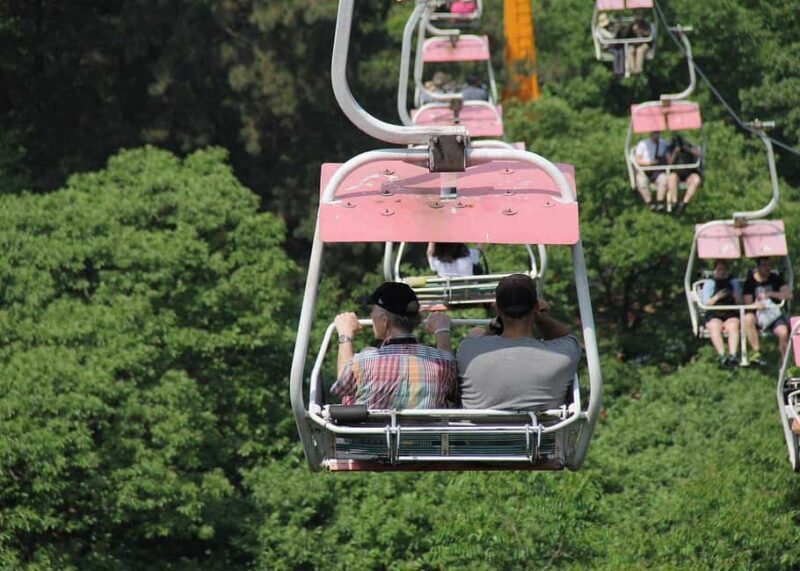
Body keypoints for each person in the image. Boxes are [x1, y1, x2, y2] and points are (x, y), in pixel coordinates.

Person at [456, 274, 581, 410]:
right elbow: (568, 337)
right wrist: (542, 319)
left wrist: (491, 328)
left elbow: (480, 341)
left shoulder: (467, 350)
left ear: (497, 308)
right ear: (536, 307)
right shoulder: (565, 356)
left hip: (478, 431)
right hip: (539, 431)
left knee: (475, 332)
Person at [331, 282, 457, 409]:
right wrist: (442, 333)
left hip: (376, 429)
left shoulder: (363, 363)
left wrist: (345, 336)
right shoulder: (443, 362)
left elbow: (343, 387)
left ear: (384, 320)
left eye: (372, 311)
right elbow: (452, 388)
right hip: (422, 428)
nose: (370, 316)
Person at [743, 257, 793, 363]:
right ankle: (756, 352)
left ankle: (785, 363)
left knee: (783, 332)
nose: (768, 268)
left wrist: (770, 294)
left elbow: (788, 295)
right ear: (758, 267)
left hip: (773, 314)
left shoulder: (775, 278)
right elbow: (747, 304)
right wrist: (757, 305)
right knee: (748, 319)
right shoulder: (750, 282)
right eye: (764, 265)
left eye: (769, 265)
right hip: (757, 315)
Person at [701, 260, 742, 368]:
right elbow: (706, 303)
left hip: (730, 313)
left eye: (724, 269)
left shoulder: (732, 282)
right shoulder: (710, 283)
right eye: (719, 269)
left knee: (733, 326)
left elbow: (739, 302)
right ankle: (722, 354)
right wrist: (717, 297)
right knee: (715, 327)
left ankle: (733, 354)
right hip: (715, 313)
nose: (722, 272)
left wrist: (733, 295)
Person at [666, 134, 703, 214]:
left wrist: (687, 149)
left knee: (696, 180)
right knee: (672, 178)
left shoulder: (689, 147)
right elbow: (669, 163)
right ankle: (674, 201)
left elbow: (699, 154)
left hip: (690, 172)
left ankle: (684, 202)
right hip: (676, 173)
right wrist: (675, 153)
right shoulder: (670, 149)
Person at [634, 131, 668, 209]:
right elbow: (638, 159)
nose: (656, 136)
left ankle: (660, 202)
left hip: (657, 170)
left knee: (663, 179)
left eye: (657, 134)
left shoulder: (662, 144)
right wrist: (649, 163)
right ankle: (649, 202)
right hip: (644, 169)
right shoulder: (642, 144)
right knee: (641, 182)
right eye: (654, 134)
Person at [597, 12, 624, 77]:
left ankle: (621, 70)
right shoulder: (602, 30)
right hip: (608, 47)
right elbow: (612, 36)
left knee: (621, 51)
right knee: (616, 53)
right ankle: (616, 71)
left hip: (614, 46)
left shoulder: (611, 26)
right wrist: (616, 30)